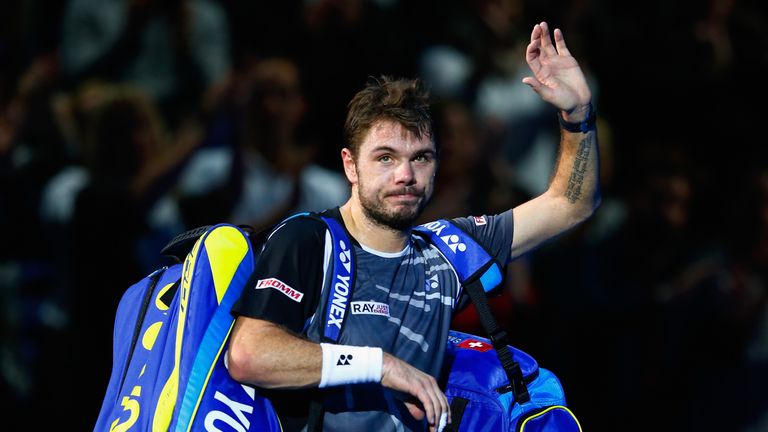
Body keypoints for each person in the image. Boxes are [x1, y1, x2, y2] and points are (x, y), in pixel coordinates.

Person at [226, 21, 600, 432]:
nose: (405, 174)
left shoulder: (450, 248)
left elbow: (571, 203)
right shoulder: (309, 239)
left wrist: (576, 114)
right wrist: (381, 365)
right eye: (385, 158)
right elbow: (249, 353)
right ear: (351, 164)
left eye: (421, 157)